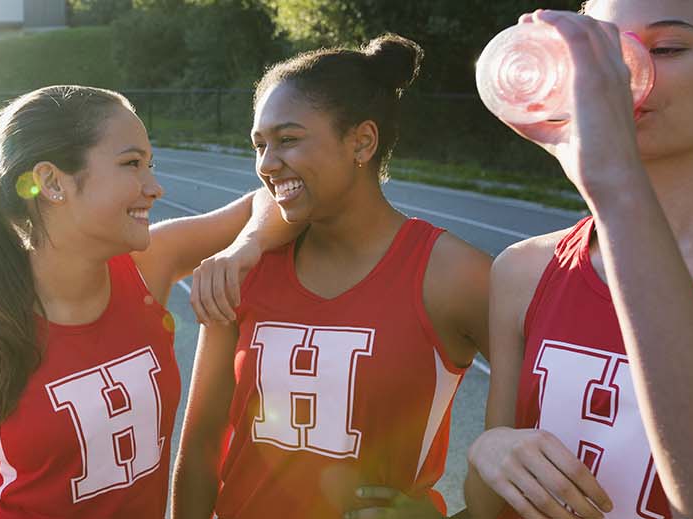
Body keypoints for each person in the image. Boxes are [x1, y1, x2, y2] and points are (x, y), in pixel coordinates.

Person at [465, 2, 693, 518]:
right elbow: (484, 506)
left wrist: (617, 187)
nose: (624, 70)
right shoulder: (524, 270)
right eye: (603, 48)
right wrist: (489, 450)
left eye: (666, 48)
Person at [0, 85, 298, 517]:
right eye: (132, 164)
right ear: (52, 182)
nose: (154, 188)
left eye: (150, 165)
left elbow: (274, 201)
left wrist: (243, 248)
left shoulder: (147, 266)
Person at [170, 35, 492, 519]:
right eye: (260, 145)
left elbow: (553, 428)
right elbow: (197, 453)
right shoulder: (244, 267)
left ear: (361, 141)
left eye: (288, 140)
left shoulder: (453, 274)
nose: (266, 164)